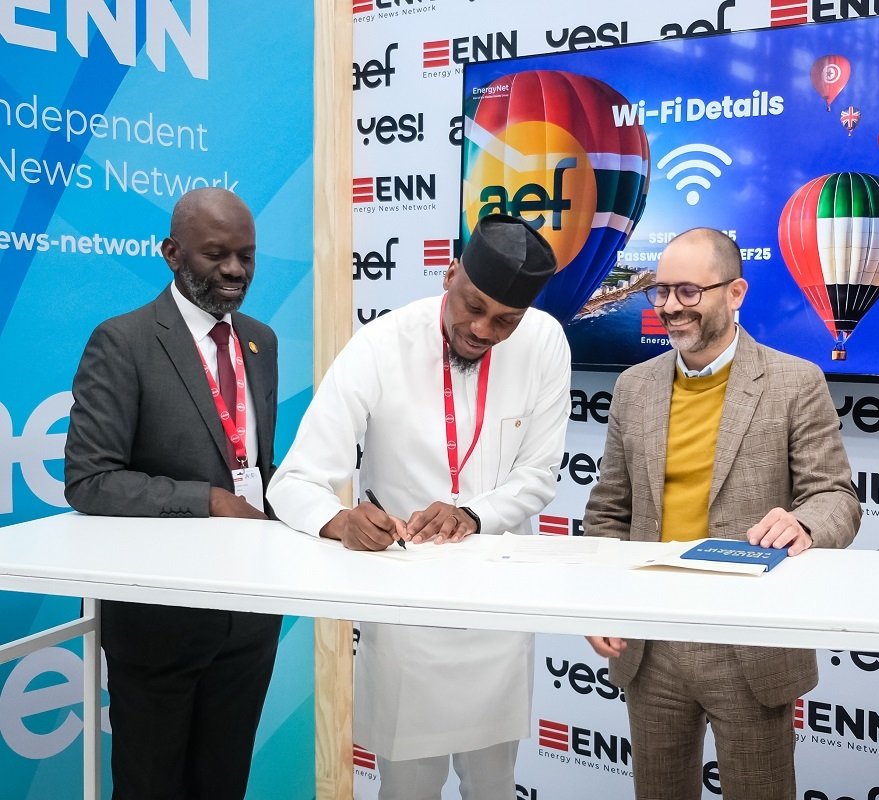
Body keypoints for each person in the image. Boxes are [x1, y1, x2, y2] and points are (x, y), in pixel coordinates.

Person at [267, 213, 570, 800]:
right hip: (407, 610)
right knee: (408, 785)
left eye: (505, 321)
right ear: (449, 274)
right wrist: (340, 520)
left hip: (497, 606)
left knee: (493, 782)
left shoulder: (544, 342)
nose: (482, 329)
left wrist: (473, 515)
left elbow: (537, 476)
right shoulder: (382, 345)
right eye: (473, 306)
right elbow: (296, 479)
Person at [583, 228, 861, 800]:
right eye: (661, 291)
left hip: (750, 644)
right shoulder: (633, 387)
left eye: (688, 291)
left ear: (735, 293)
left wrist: (804, 524)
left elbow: (835, 497)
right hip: (650, 644)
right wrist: (601, 599)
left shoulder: (794, 381)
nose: (670, 307)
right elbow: (609, 511)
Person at [64, 187, 281, 799]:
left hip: (250, 616)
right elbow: (89, 479)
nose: (235, 270)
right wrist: (208, 500)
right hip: (160, 622)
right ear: (172, 253)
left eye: (246, 256)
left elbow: (255, 466)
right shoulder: (123, 341)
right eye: (216, 254)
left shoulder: (261, 341)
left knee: (223, 785)